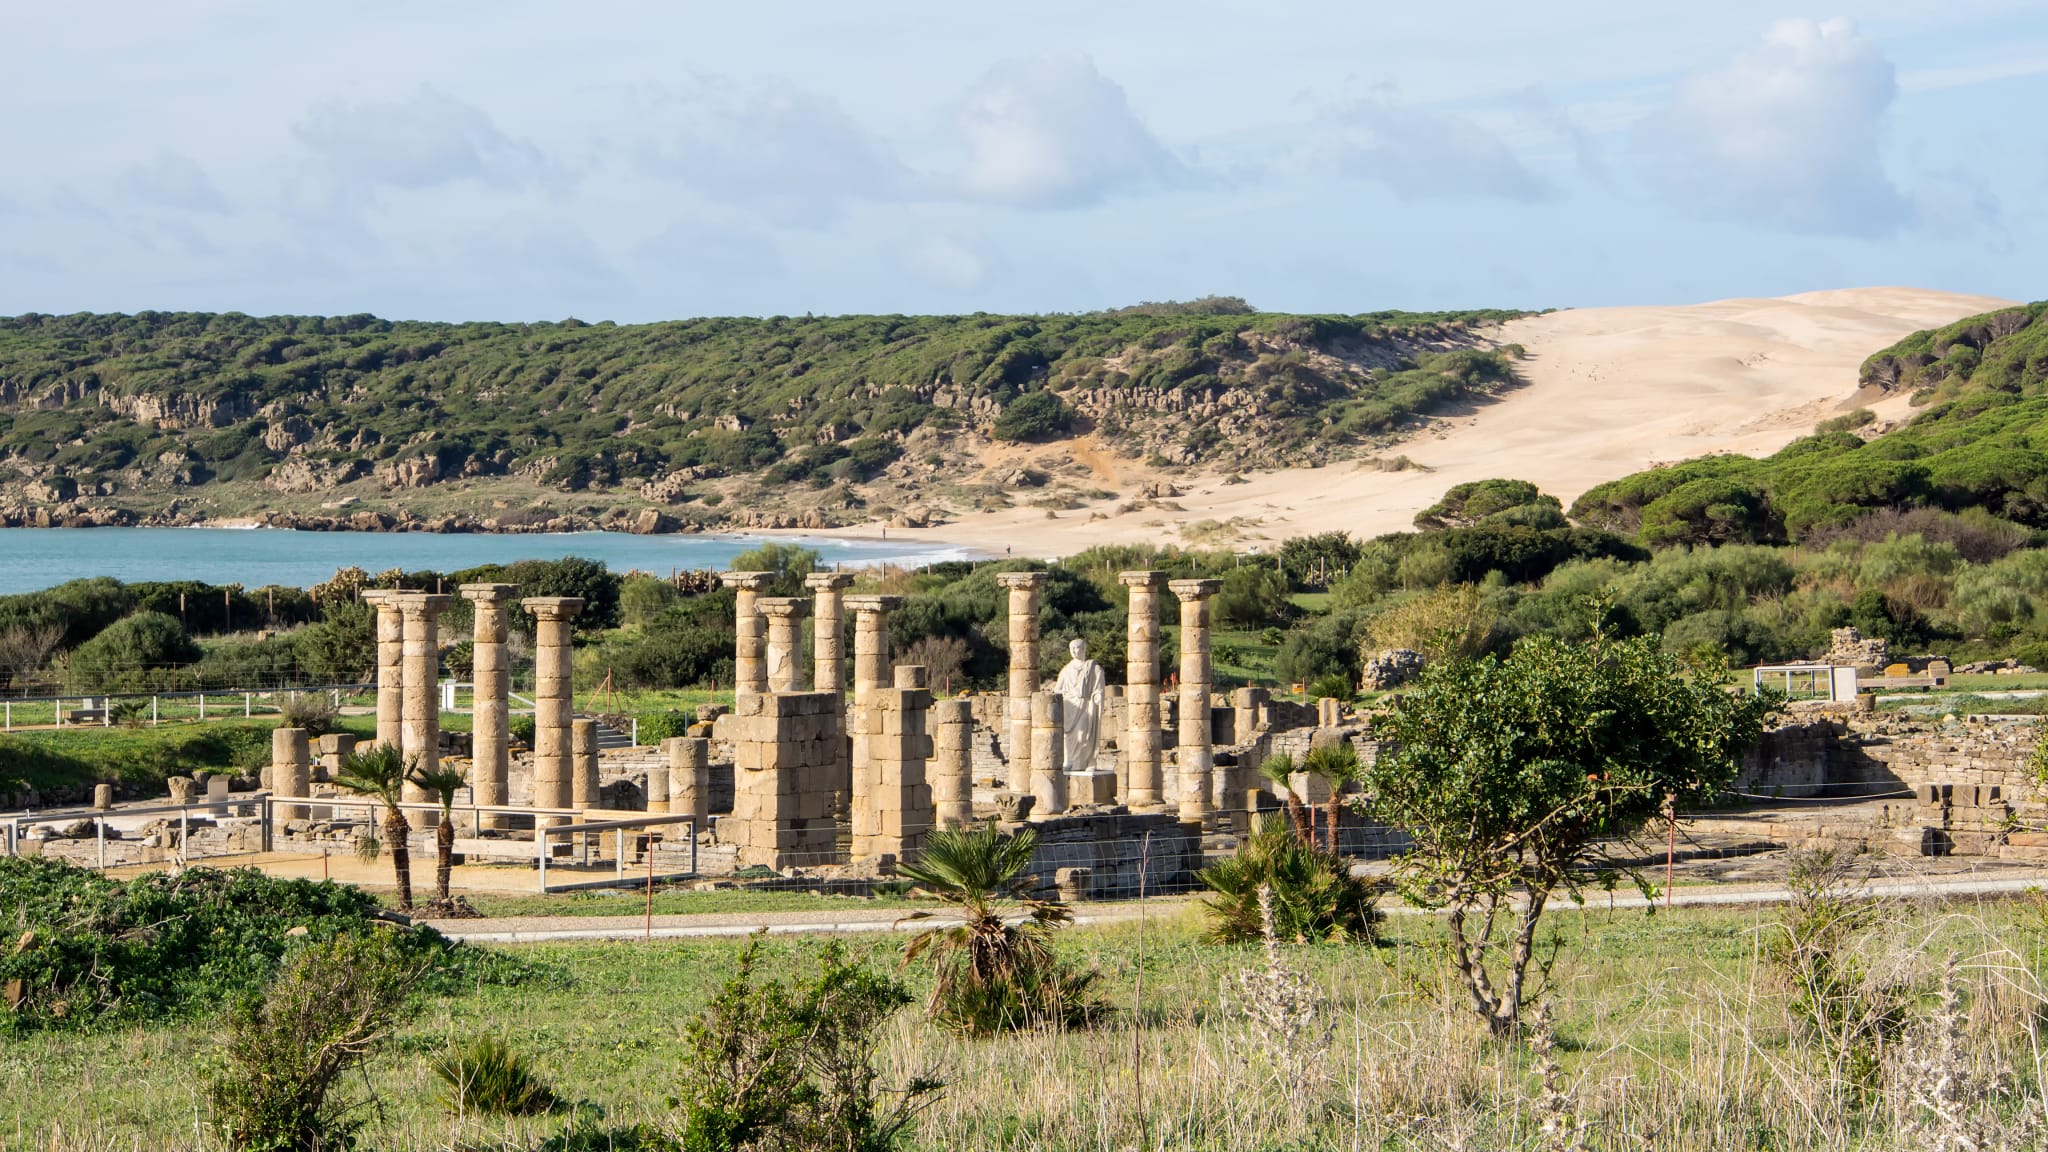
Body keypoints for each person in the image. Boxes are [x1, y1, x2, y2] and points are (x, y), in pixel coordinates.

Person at [1054, 637, 1105, 774]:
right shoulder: (1066, 670)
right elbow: (1057, 689)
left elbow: (1098, 687)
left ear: (1083, 649)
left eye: (1077, 648)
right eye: (1072, 648)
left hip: (1085, 705)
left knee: (1083, 735)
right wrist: (1067, 693)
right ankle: (1069, 761)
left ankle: (1083, 762)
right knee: (1068, 737)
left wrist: (1098, 695)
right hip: (1069, 706)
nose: (1075, 651)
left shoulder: (1093, 667)